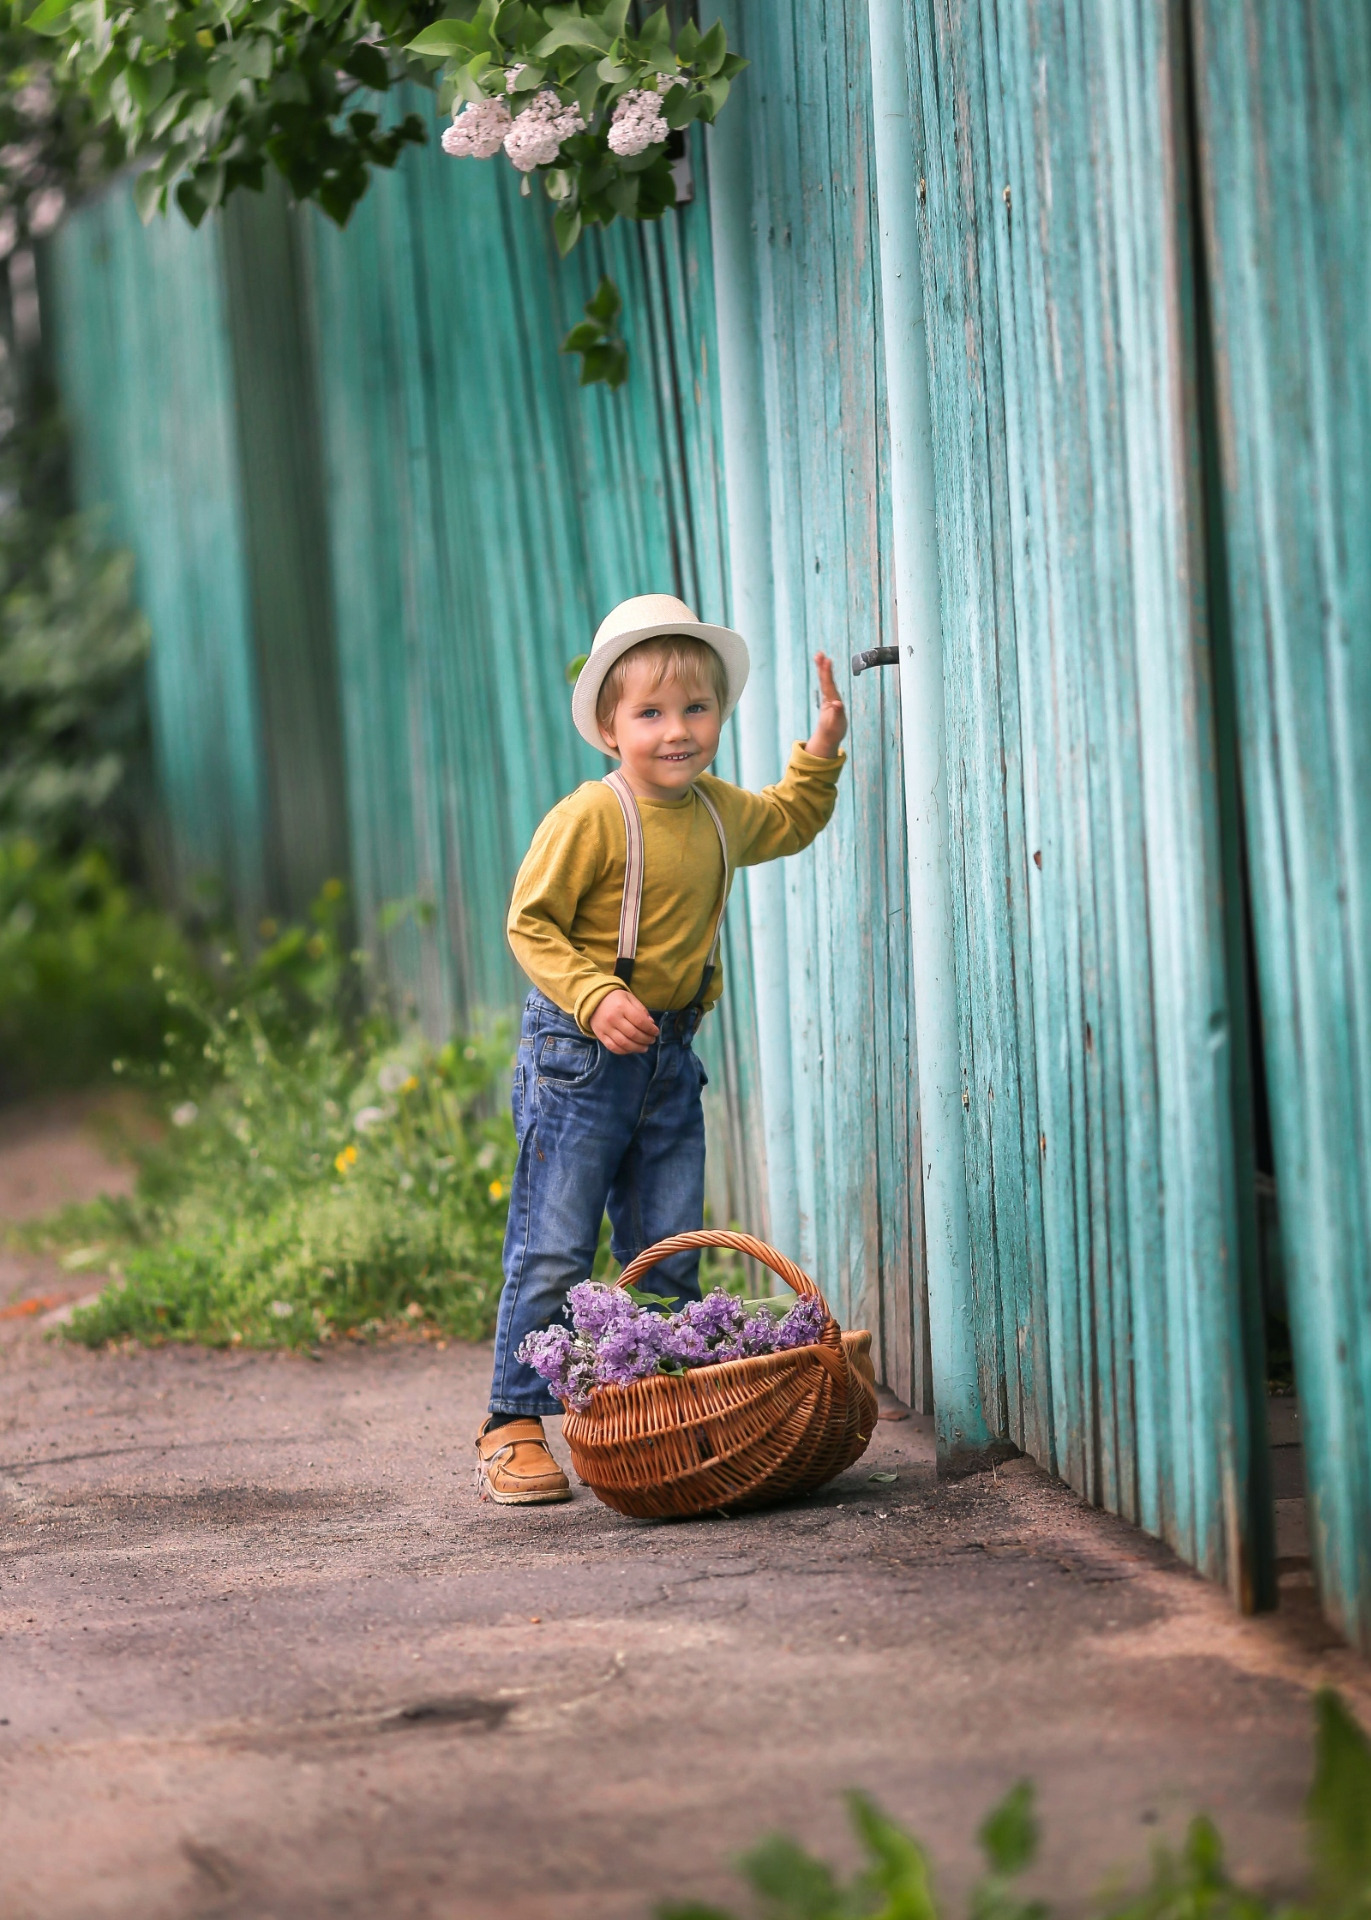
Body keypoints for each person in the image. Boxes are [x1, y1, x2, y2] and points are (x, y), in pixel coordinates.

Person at [475, 592, 848, 1503]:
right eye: (649, 714)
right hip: (581, 1056)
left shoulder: (719, 812)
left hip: (669, 1061)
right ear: (610, 729)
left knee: (666, 1247)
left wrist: (822, 748)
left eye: (695, 709)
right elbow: (531, 924)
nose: (675, 731)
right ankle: (513, 1420)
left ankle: (659, 1418)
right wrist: (595, 994)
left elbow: (791, 820)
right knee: (555, 1245)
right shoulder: (591, 817)